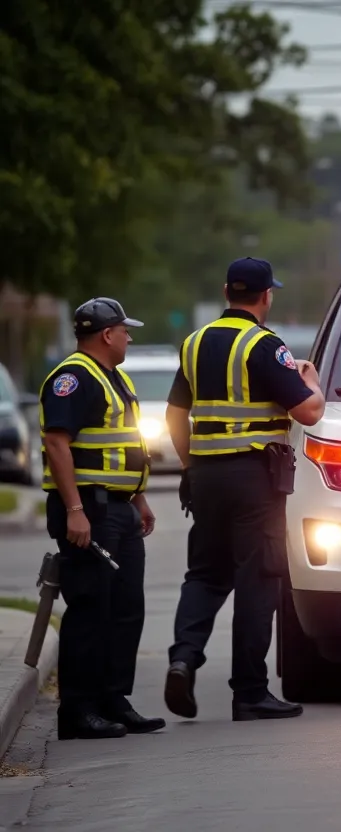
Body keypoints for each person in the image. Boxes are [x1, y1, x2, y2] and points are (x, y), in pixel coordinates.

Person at [163, 257, 325, 722]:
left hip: (206, 476)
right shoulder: (263, 345)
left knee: (205, 574)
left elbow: (175, 415)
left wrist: (191, 466)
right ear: (266, 296)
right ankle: (250, 692)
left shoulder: (194, 343)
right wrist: (311, 382)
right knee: (258, 579)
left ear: (226, 292)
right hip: (254, 479)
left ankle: (183, 658)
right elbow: (309, 412)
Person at [39, 298, 164, 740]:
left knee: (126, 608)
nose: (129, 337)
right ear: (107, 335)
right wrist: (75, 510)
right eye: (125, 331)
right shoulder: (73, 378)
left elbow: (123, 444)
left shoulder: (115, 378)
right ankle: (78, 709)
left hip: (120, 507)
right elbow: (57, 444)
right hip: (89, 509)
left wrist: (139, 499)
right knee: (91, 606)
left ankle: (113, 700)